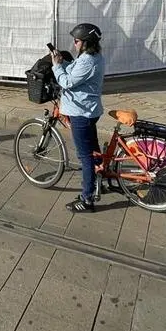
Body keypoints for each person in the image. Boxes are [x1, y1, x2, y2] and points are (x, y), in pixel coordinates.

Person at [51, 22, 105, 214]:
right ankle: (99, 182)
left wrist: (57, 67)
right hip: (90, 111)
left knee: (85, 156)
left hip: (81, 112)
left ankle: (87, 199)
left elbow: (67, 82)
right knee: (94, 150)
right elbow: (75, 70)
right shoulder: (92, 57)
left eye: (76, 41)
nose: (74, 44)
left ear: (85, 42)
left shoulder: (87, 60)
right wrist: (63, 62)